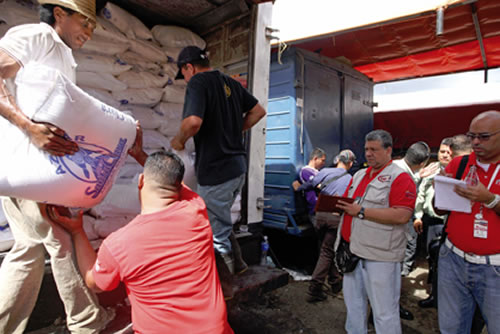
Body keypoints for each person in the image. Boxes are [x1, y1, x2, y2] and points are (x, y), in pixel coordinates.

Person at [0, 1, 125, 332]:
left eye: (93, 26)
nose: (89, 31)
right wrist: (28, 127)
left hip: (35, 170)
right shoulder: (39, 36)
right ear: (59, 14)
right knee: (62, 240)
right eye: (84, 22)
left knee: (28, 248)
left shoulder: (63, 56)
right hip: (29, 165)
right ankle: (87, 322)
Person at [48, 151, 234, 334]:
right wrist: (140, 155)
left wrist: (77, 231)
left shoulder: (119, 244)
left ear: (141, 181)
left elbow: (95, 283)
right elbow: (173, 181)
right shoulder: (196, 210)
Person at [170, 46, 266, 276]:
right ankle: (240, 266)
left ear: (189, 67)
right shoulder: (230, 83)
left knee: (213, 232)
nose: (185, 79)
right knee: (220, 218)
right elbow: (258, 111)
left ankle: (226, 287)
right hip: (237, 168)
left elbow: (193, 122)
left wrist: (179, 140)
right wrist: (234, 130)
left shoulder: (198, 82)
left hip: (216, 169)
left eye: (183, 74)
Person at [336, 129, 416, 334]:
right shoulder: (360, 174)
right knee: (354, 307)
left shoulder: (400, 177)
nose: (368, 154)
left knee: (384, 311)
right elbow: (348, 202)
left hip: (380, 256)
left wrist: (361, 212)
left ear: (389, 150)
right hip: (352, 251)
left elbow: (402, 216)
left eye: (374, 149)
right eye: (366, 149)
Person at [435, 111, 500, 334]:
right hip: (453, 260)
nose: (475, 142)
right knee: (451, 327)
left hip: (495, 268)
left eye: (483, 136)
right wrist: (441, 192)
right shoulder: (459, 164)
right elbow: (440, 209)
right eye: (471, 135)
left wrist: (490, 199)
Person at [294, 149, 355, 302]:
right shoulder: (350, 179)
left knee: (325, 249)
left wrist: (298, 188)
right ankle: (314, 289)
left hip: (319, 216)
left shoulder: (325, 171)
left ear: (337, 160)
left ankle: (335, 281)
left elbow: (310, 184)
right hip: (335, 217)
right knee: (327, 251)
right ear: (351, 163)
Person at [413, 137, 452, 308]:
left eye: (448, 152)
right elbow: (421, 193)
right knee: (432, 258)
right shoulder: (432, 170)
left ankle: (448, 298)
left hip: (449, 222)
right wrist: (418, 215)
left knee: (448, 261)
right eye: (442, 151)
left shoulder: (458, 170)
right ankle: (435, 296)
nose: (445, 155)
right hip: (432, 222)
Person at [393, 141, 431, 277]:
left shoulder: (393, 166)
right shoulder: (405, 176)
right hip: (399, 218)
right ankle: (403, 270)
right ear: (422, 164)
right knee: (409, 242)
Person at [293, 147, 327, 217]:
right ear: (315, 158)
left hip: (320, 206)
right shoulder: (306, 171)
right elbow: (317, 184)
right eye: (322, 160)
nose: (324, 163)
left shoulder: (317, 172)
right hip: (314, 206)